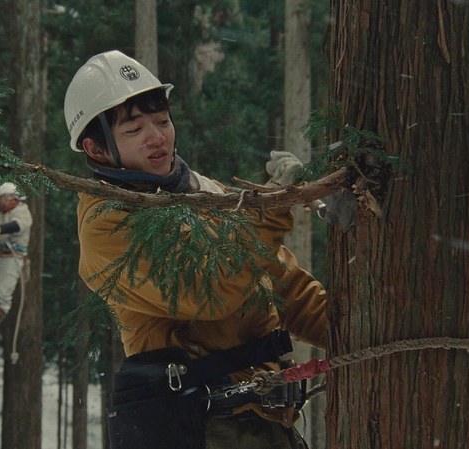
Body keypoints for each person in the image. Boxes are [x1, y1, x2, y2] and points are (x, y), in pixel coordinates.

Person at [64, 50, 328, 449]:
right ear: (96, 149)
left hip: (262, 424)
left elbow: (284, 285)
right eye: (134, 130)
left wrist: (360, 332)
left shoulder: (204, 193)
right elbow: (209, 291)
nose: (157, 137)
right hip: (202, 429)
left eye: (162, 121)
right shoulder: (107, 224)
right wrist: (269, 209)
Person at [0, 181, 32, 340]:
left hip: (11, 258)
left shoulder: (22, 211)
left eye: (2, 198)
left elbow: (18, 226)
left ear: (11, 197)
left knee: (3, 293)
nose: (0, 202)